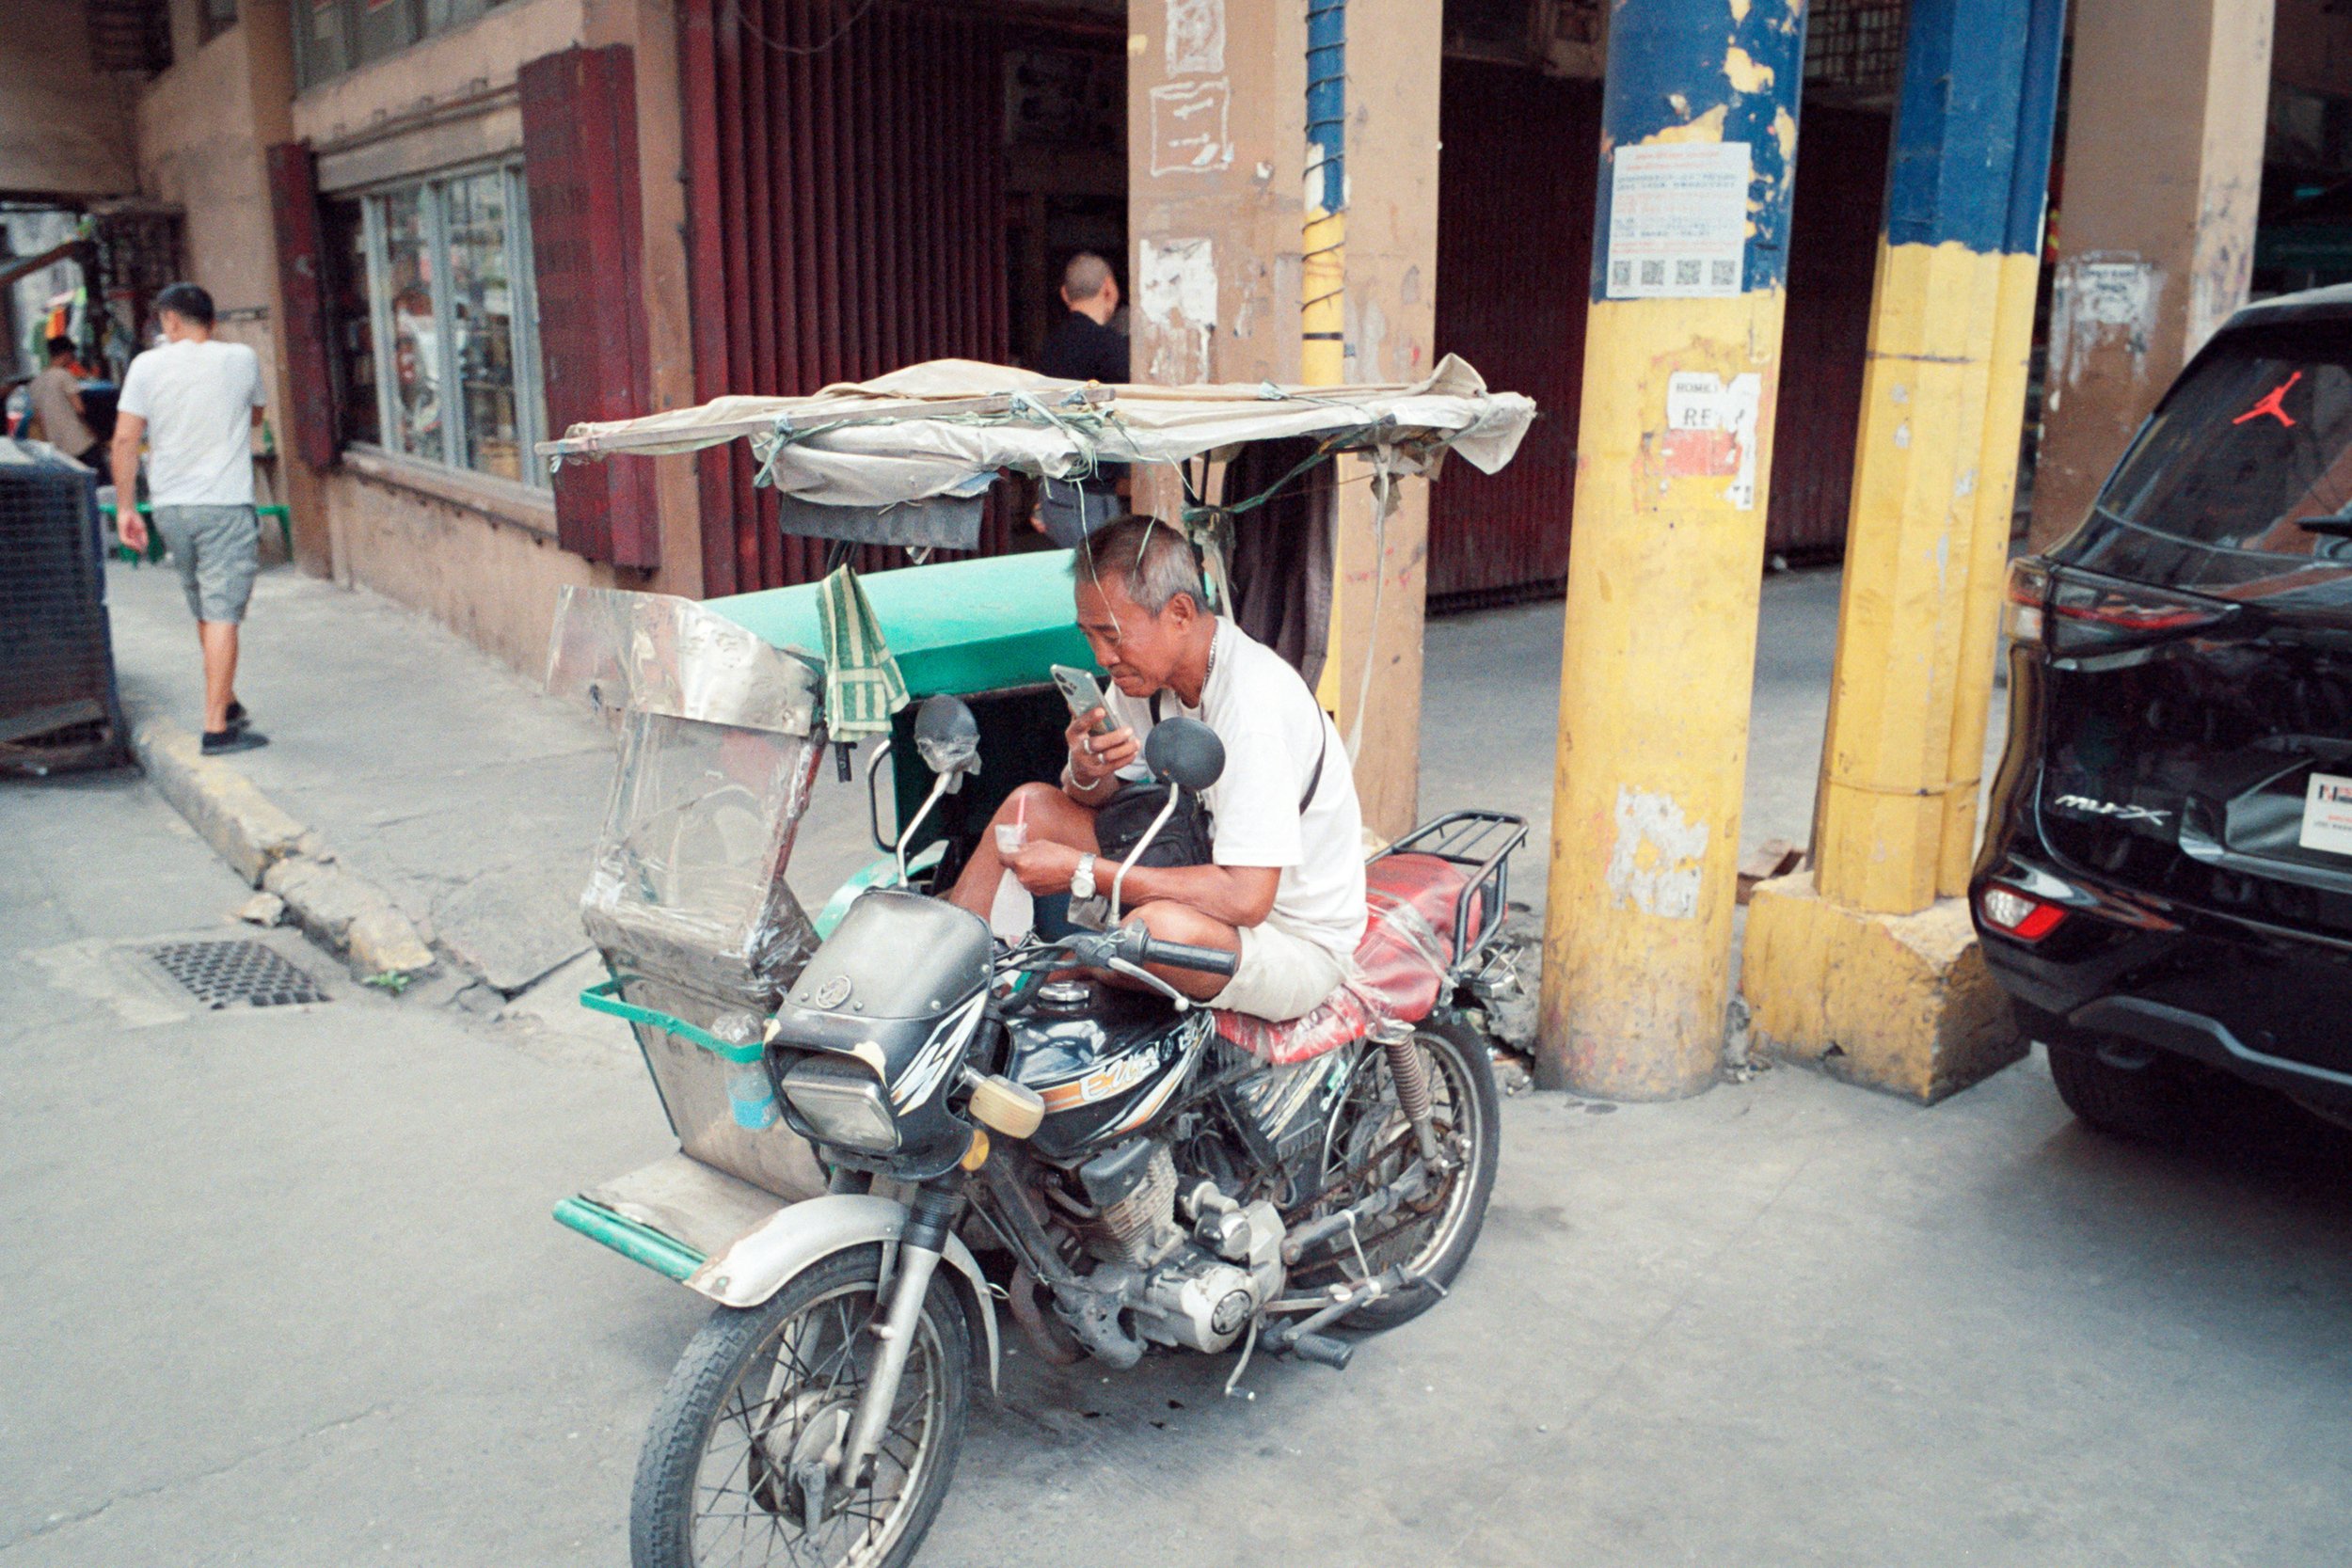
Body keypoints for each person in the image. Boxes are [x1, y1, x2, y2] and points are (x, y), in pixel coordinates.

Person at [945, 514, 1368, 1022]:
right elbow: (1095, 802)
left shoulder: (1253, 708)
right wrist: (1087, 770)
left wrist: (1085, 873)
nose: (1102, 657)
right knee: (1026, 809)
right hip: (1191, 862)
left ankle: (1054, 971)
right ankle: (949, 985)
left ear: (1181, 613)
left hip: (1288, 939)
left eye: (1113, 636)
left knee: (1151, 933)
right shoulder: (1144, 679)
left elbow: (1246, 897)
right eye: (1090, 636)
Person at [112, 282, 269, 756]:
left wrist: (125, 508)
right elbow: (257, 416)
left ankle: (229, 700)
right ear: (213, 323)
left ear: (170, 321)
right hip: (223, 503)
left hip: (170, 507)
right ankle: (216, 727)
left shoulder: (144, 366)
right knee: (222, 612)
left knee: (204, 606)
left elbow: (124, 441)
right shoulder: (240, 358)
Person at [1030, 252, 1130, 548]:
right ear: (1109, 289)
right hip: (1093, 493)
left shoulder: (1049, 346)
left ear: (1064, 294)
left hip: (1054, 488)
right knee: (1097, 577)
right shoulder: (1111, 347)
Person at [25, 336, 103, 467]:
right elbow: (79, 408)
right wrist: (94, 431)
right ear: (66, 354)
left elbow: (39, 420)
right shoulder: (64, 375)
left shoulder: (35, 383)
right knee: (102, 483)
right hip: (80, 442)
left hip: (58, 449)